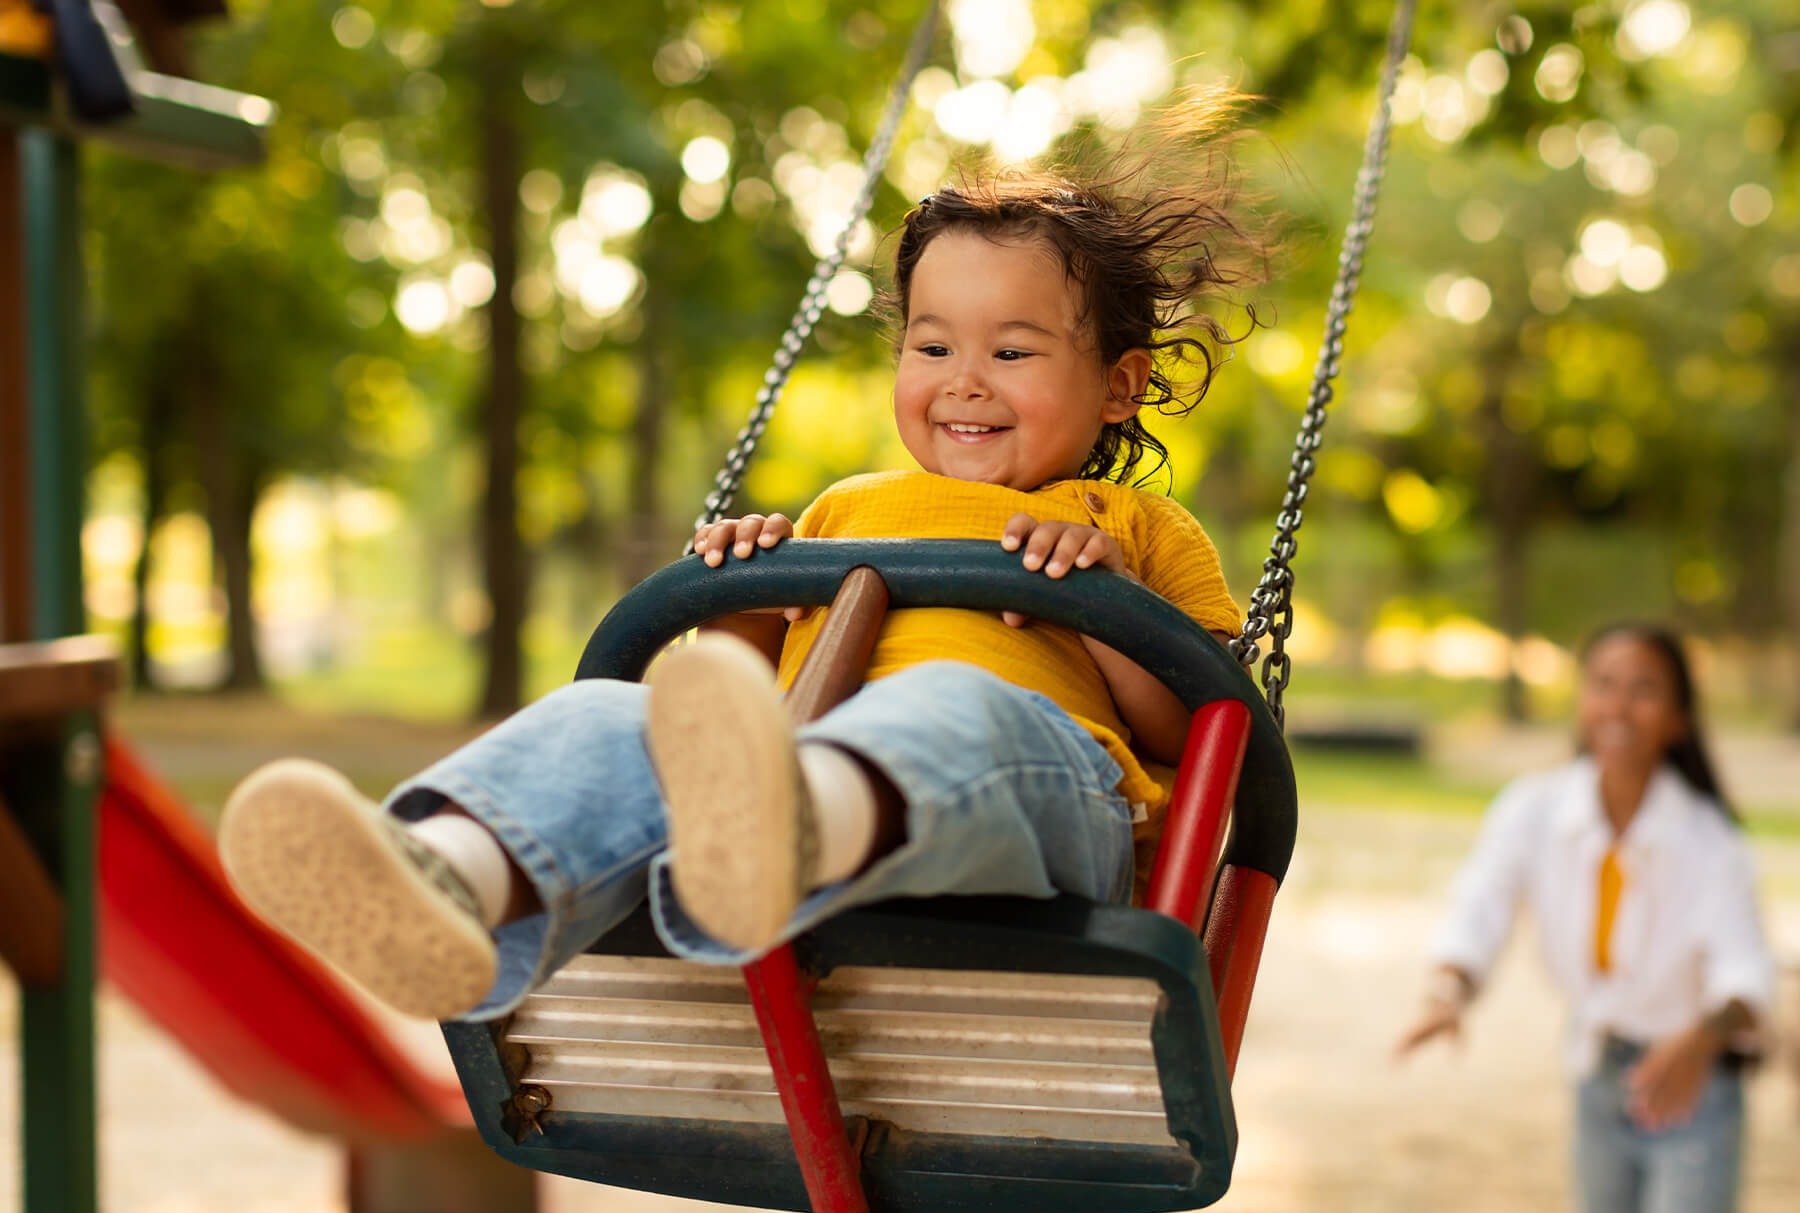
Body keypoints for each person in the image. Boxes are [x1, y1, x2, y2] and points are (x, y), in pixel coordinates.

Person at [219, 99, 1266, 1025]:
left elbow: (1203, 730)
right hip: (799, 781)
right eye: (933, 346)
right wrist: (743, 591)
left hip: (1047, 811)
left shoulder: (1130, 526)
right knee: (603, 717)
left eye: (1014, 350)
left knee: (949, 703)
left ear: (1121, 384)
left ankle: (797, 819)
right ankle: (449, 880)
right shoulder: (844, 509)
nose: (965, 382)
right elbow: (729, 705)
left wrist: (1098, 600)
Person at [1395, 624, 1774, 1213]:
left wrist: (1700, 1042)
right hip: (1599, 1073)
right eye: (1603, 685)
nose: (1619, 707)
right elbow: (1481, 905)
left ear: (1679, 719)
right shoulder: (1534, 809)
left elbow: (1745, 968)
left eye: (1644, 689)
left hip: (1692, 1085)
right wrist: (1449, 990)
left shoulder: (1710, 839)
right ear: (1582, 700)